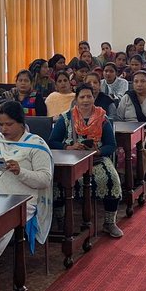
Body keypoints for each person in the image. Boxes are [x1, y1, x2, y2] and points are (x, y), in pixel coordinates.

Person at [0, 100, 54, 254]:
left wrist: (20, 171)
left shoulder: (36, 144)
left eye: (9, 124)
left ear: (21, 123)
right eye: (1, 124)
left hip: (20, 198)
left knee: (0, 225)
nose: (4, 129)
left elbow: (44, 179)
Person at [50, 85, 125, 238]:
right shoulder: (66, 118)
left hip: (96, 160)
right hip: (70, 160)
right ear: (76, 100)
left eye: (89, 96)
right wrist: (69, 147)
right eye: (82, 97)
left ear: (93, 98)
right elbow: (52, 141)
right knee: (57, 182)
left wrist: (98, 151)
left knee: (112, 179)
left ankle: (109, 222)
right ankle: (61, 220)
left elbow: (111, 145)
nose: (86, 100)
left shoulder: (102, 118)